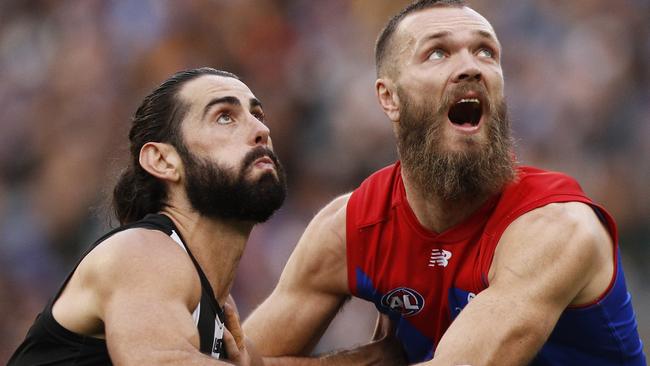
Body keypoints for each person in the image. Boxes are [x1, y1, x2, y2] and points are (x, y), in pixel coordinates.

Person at [243, 1, 647, 365]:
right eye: (438, 52)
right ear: (389, 98)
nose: (471, 66)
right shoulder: (353, 227)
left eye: (486, 51)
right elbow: (241, 361)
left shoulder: (557, 228)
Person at [8, 67, 287, 365]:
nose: (262, 130)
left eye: (258, 115)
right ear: (163, 160)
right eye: (224, 117)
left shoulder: (213, 305)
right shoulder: (141, 253)